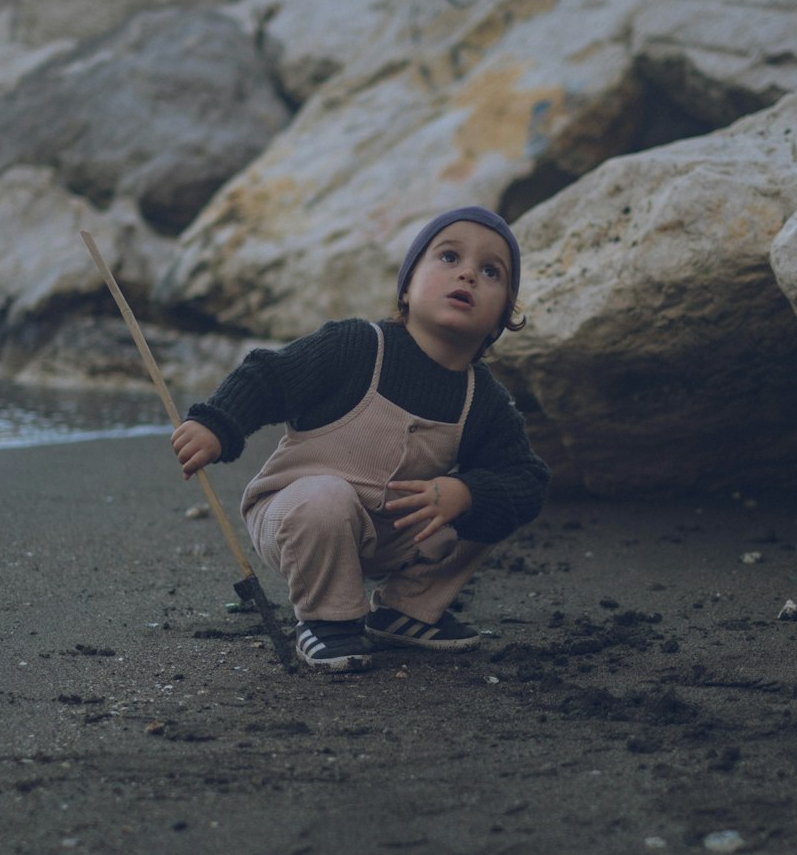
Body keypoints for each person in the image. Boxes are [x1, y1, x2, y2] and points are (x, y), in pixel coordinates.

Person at [171, 207, 550, 671]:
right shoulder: (355, 347)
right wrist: (216, 424)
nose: (468, 273)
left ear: (502, 319)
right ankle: (327, 621)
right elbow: (270, 377)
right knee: (326, 498)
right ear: (407, 286)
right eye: (449, 257)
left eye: (491, 271)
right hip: (298, 515)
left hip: (392, 533)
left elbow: (527, 479)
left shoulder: (483, 400)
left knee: (491, 502)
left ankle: (407, 610)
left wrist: (465, 493)